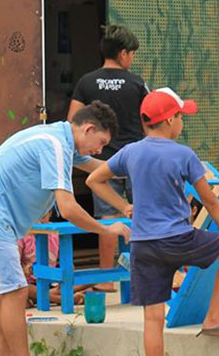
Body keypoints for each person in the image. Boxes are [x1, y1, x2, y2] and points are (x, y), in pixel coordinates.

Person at [0, 102, 131, 356]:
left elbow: (97, 167)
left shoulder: (59, 138)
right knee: (15, 291)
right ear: (88, 129)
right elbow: (68, 208)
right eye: (101, 142)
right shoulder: (56, 145)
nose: (100, 150)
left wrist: (135, 168)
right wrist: (106, 230)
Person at [86, 87, 219, 356]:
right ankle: (214, 318)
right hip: (177, 239)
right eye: (181, 117)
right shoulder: (183, 154)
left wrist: (124, 206)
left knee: (153, 319)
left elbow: (94, 180)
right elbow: (209, 200)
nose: (182, 122)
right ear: (170, 119)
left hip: (143, 245)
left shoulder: (130, 152)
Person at [67, 24, 149, 283]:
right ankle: (143, 274)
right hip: (135, 161)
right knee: (142, 214)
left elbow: (73, 120)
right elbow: (150, 122)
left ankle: (105, 278)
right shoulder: (137, 83)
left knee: (107, 217)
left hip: (101, 162)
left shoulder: (86, 82)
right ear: (123, 54)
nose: (132, 59)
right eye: (132, 54)